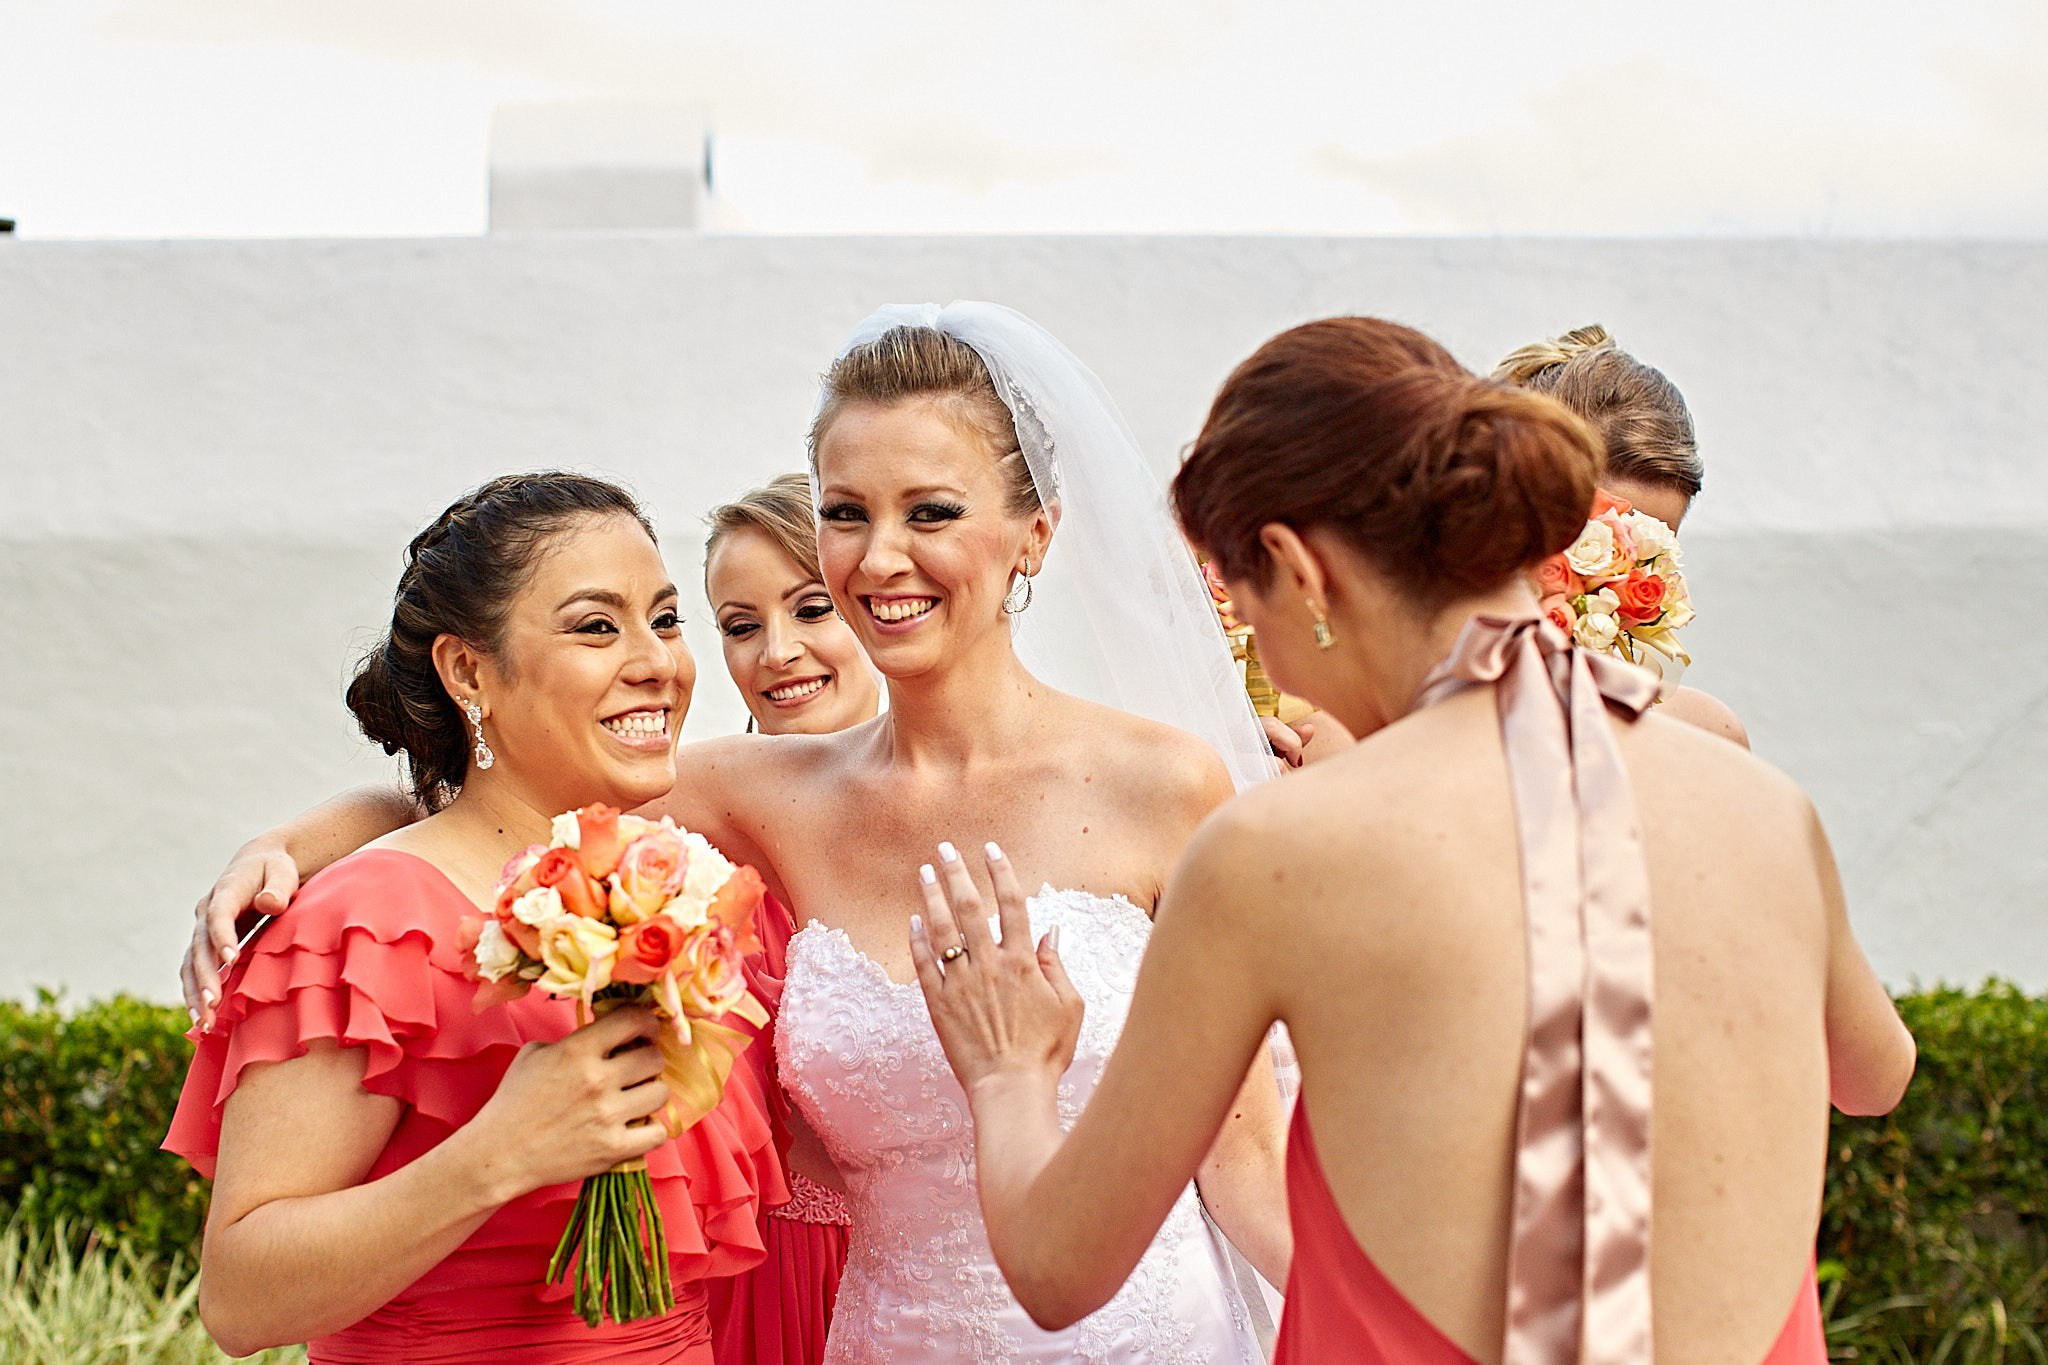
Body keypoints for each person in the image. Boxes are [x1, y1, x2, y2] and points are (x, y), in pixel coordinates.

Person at [180, 303, 1290, 1363]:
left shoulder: (1165, 784)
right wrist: (293, 844)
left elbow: (1243, 1163)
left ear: (1033, 535)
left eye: (931, 512)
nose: (880, 556)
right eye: (846, 513)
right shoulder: (756, 795)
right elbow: (488, 808)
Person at [909, 317, 1916, 1364]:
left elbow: (1058, 1267)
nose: (1269, 670)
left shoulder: (1273, 855)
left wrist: (1008, 1070)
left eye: (1248, 617)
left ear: (1295, 569)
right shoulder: (1759, 800)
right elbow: (1874, 1076)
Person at [164, 473, 781, 1362]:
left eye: (666, 618)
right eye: (596, 626)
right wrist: (498, 1154)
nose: (659, 661)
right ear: (467, 671)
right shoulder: (362, 923)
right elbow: (241, 1300)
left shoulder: (676, 884)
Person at [700, 474, 875, 1365]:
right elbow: (477, 806)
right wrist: (295, 844)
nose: (777, 652)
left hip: (945, 1280)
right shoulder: (690, 833)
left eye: (811, 609)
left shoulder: (975, 806)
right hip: (757, 1289)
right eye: (741, 626)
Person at [1494, 324, 1747, 746]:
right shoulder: (1405, 717)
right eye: (1593, 543)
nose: (1613, 588)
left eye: (1647, 557)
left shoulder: (1706, 735)